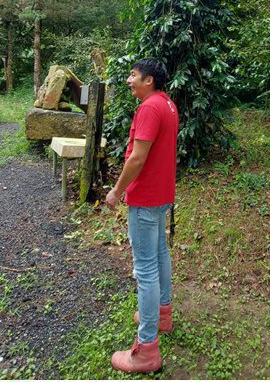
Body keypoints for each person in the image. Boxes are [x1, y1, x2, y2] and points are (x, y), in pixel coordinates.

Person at [105, 58, 179, 373]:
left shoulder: (149, 108)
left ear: (149, 80)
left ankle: (146, 349)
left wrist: (116, 190)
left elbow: (137, 157)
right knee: (160, 252)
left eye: (133, 75)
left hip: (147, 197)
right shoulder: (168, 104)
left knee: (145, 269)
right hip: (162, 195)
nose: (128, 80)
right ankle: (162, 313)